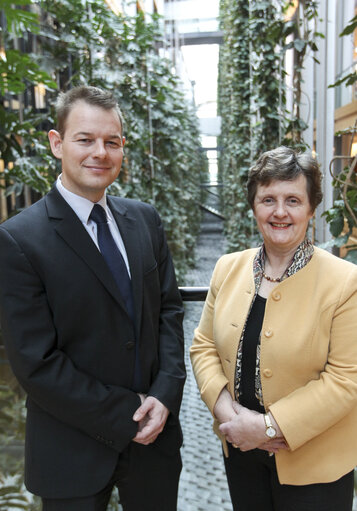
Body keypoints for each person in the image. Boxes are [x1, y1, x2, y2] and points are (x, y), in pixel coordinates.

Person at [0, 85, 185, 511]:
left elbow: (169, 311)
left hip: (154, 446)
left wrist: (164, 395)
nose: (100, 152)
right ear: (56, 143)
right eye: (85, 139)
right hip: (71, 450)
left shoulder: (144, 220)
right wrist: (128, 412)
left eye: (112, 141)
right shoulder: (18, 240)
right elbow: (36, 363)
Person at [190, 146, 357, 511]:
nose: (280, 212)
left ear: (311, 209)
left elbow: (346, 379)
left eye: (293, 200)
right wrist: (227, 414)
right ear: (254, 206)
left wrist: (268, 427)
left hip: (315, 468)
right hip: (241, 456)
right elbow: (203, 346)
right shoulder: (227, 268)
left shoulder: (346, 282)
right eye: (268, 199)